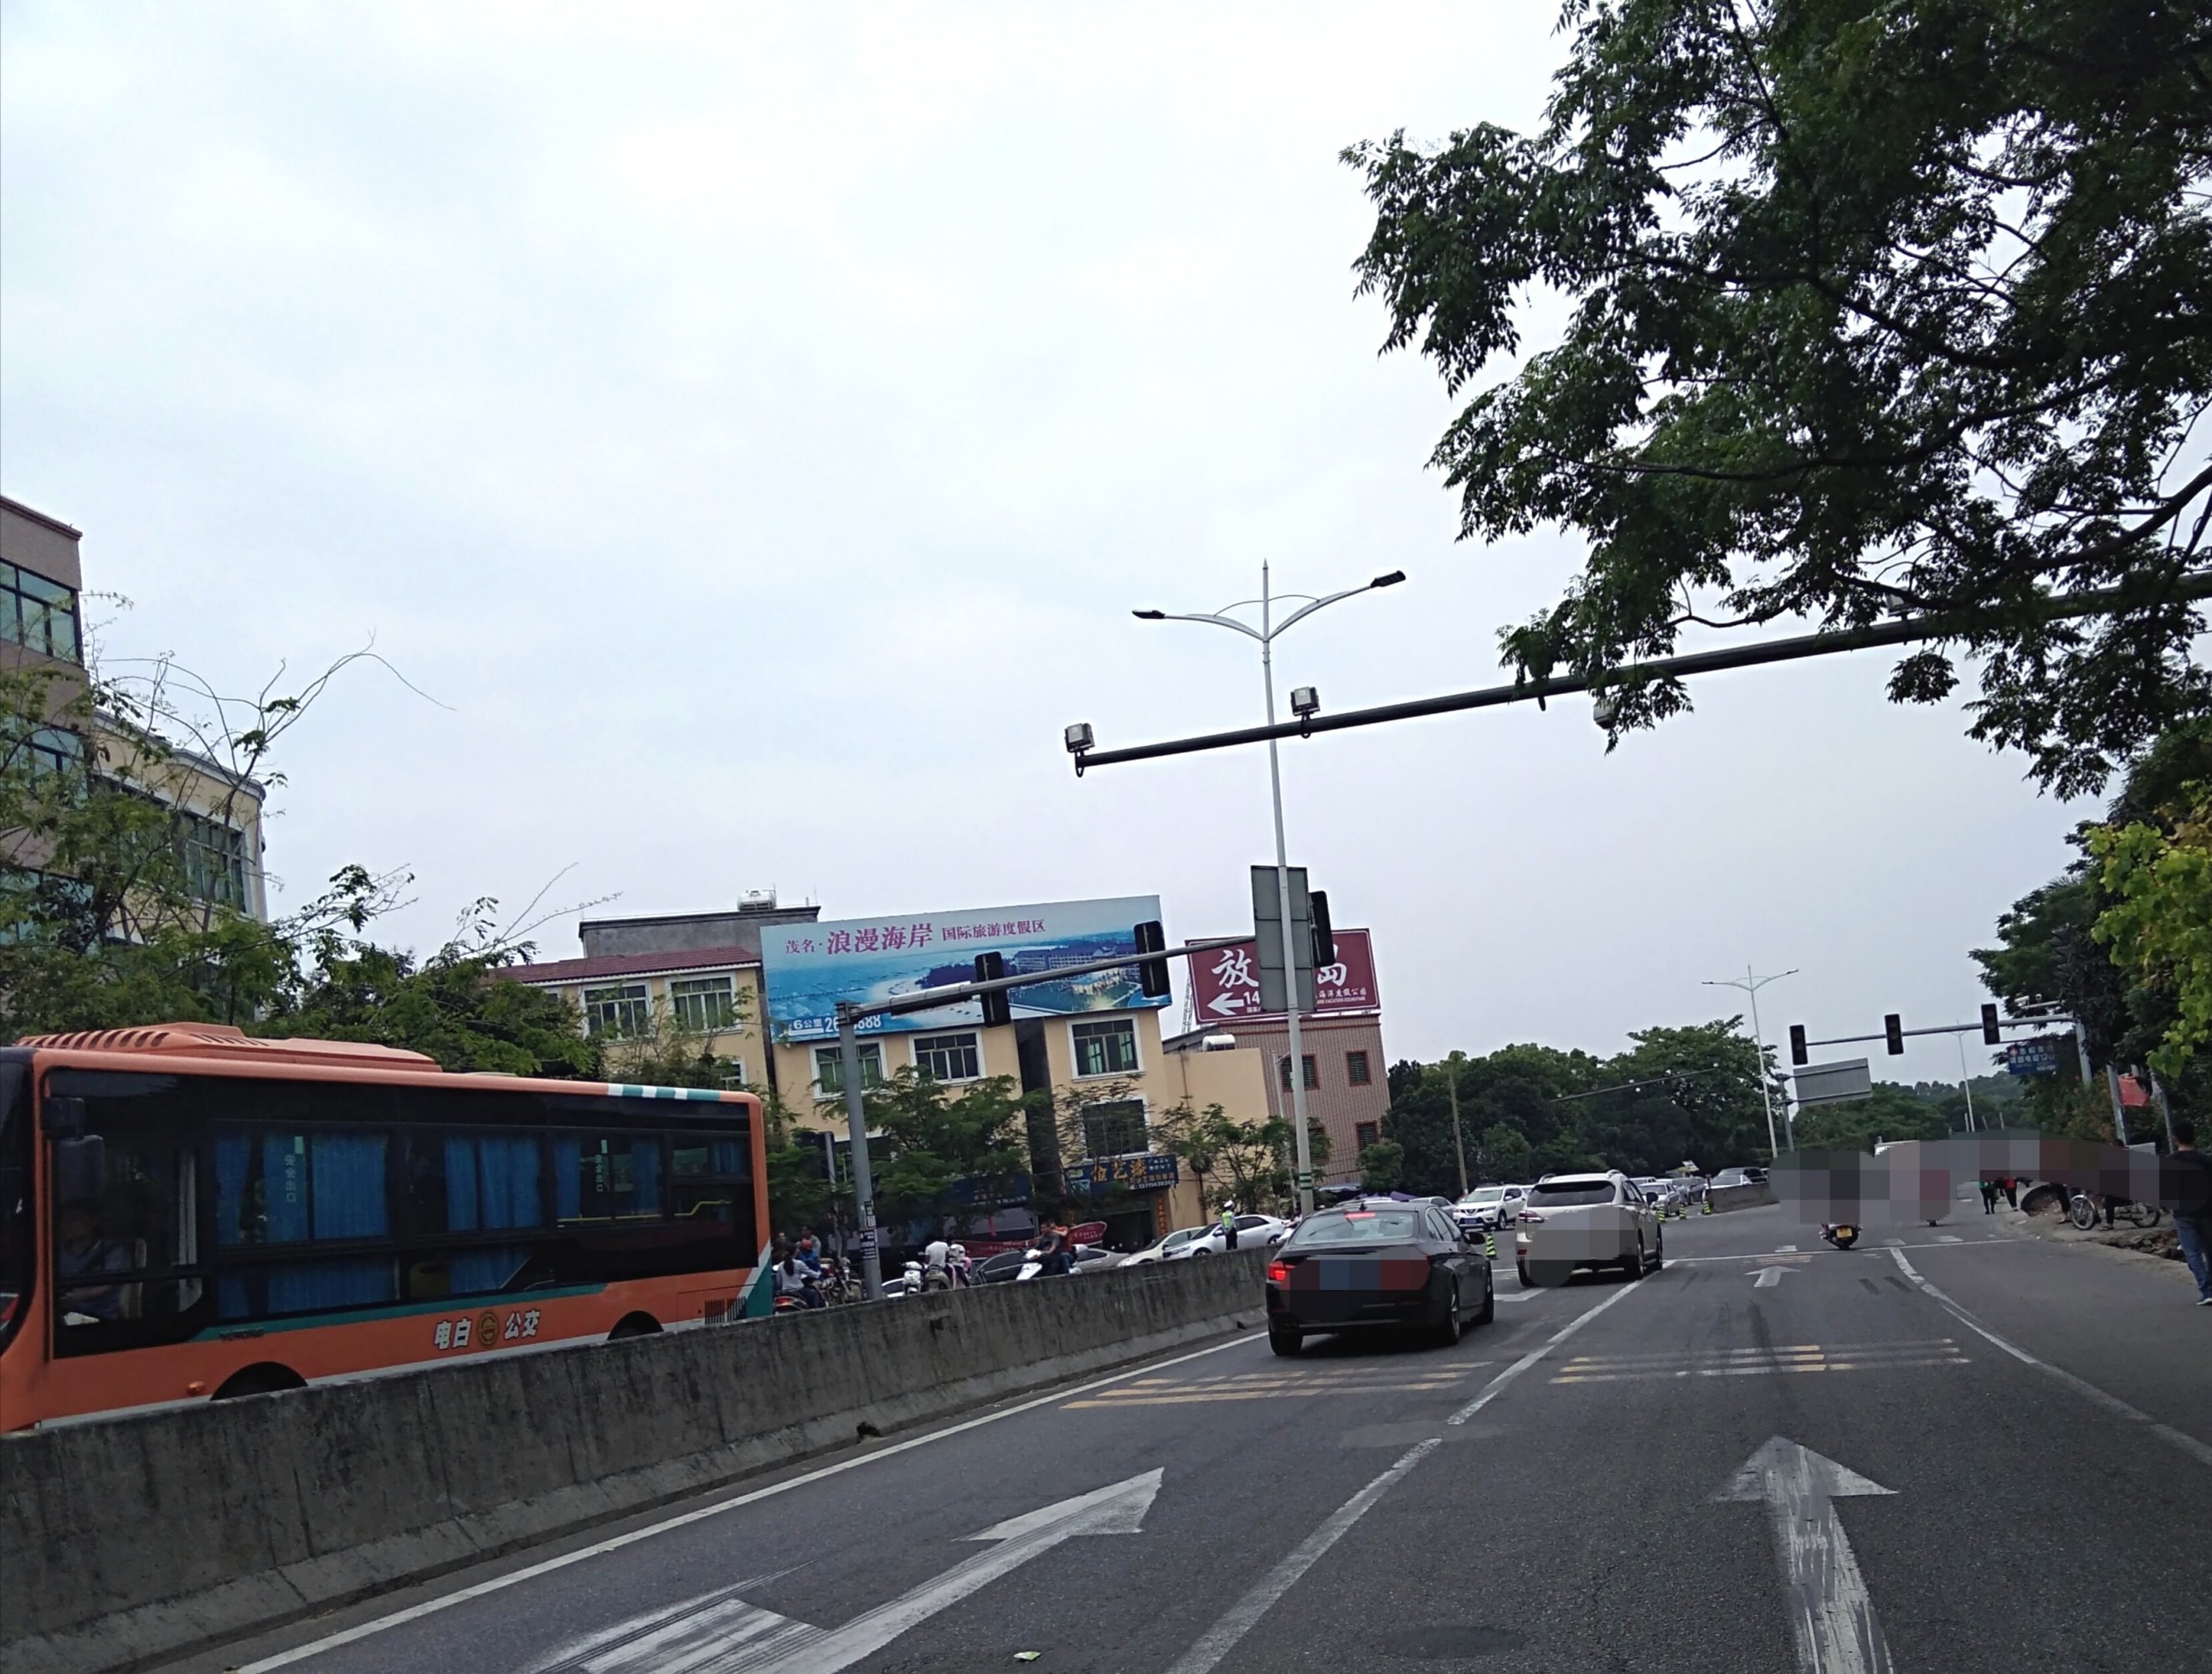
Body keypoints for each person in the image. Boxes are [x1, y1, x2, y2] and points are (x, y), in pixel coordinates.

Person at [2163, 1121, 2212, 1306]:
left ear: (2175, 1139)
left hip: (2183, 1212)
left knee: (2192, 1253)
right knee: (2210, 1250)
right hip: (2207, 1211)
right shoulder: (2206, 1160)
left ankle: (2207, 1290)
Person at [55, 1203, 130, 1323]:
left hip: (100, 1319)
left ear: (93, 1221)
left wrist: (78, 1297)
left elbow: (109, 1283)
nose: (68, 1224)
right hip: (64, 1316)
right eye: (65, 1220)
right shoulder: (57, 1253)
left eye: (75, 1219)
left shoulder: (112, 1251)